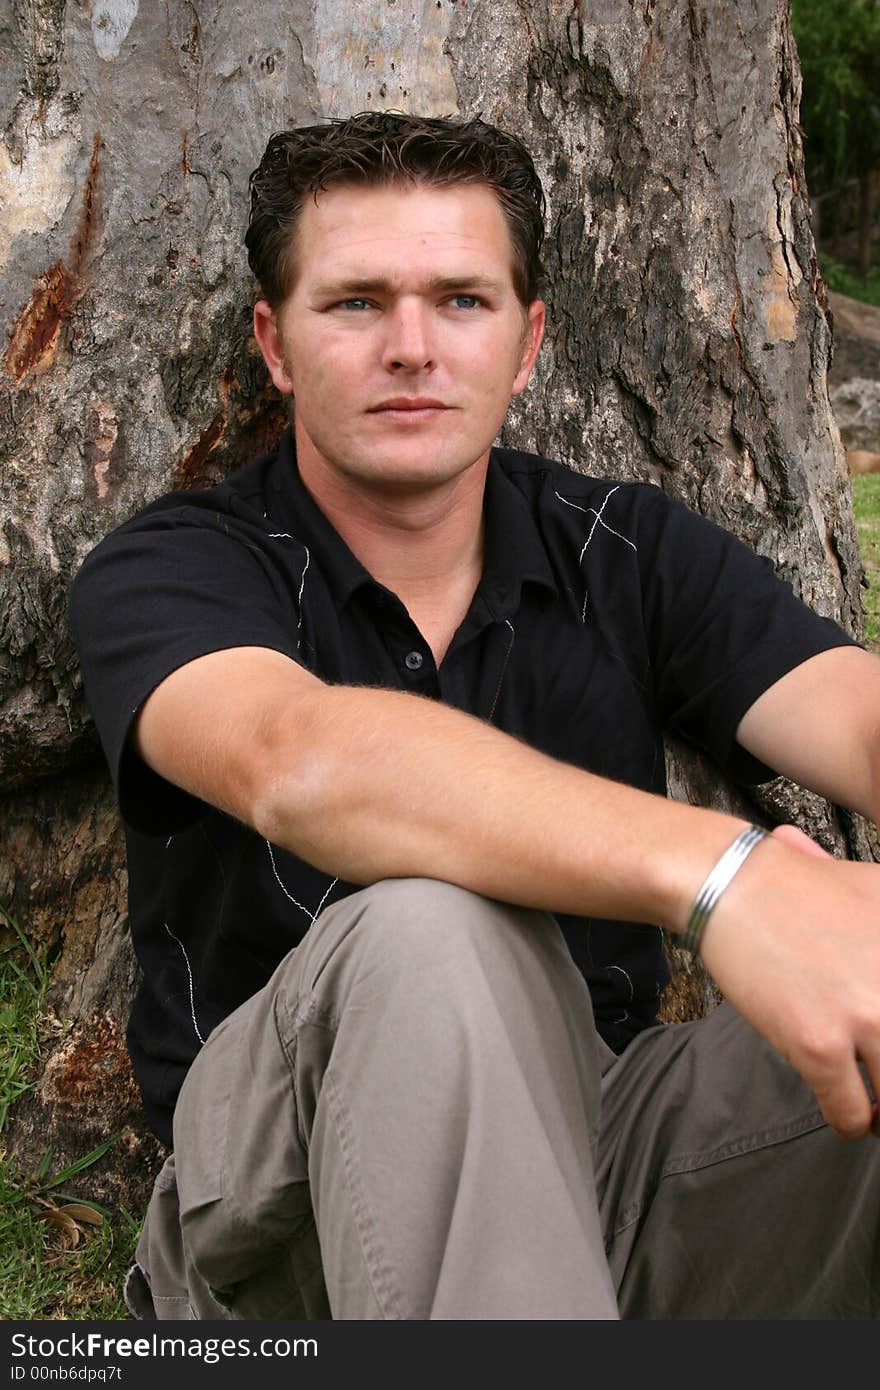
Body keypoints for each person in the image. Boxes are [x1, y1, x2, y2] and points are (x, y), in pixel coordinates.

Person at [70, 111, 880, 1321]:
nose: (411, 347)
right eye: (354, 304)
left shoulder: (624, 546)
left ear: (529, 339)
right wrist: (727, 879)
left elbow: (856, 720)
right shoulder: (175, 566)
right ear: (274, 342)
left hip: (611, 1145)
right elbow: (301, 764)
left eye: (461, 299)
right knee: (428, 932)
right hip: (286, 1222)